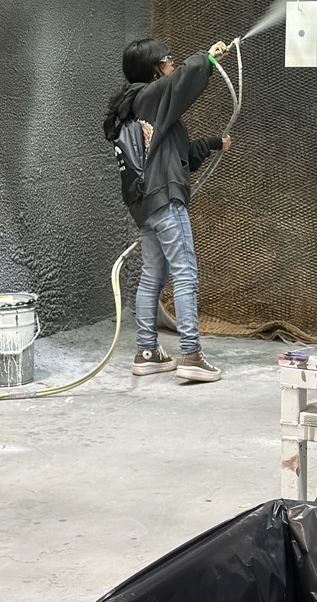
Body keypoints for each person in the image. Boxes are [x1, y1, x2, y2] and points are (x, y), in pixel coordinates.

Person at [104, 37, 231, 382]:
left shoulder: (139, 108)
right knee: (185, 272)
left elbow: (177, 156)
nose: (173, 65)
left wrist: (213, 144)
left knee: (153, 276)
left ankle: (147, 353)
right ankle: (191, 354)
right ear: (155, 69)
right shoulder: (148, 97)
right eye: (168, 60)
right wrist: (206, 58)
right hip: (164, 200)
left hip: (147, 206)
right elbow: (181, 81)